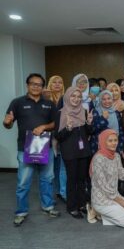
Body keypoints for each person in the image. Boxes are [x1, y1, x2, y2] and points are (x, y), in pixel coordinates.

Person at [3, 73, 60, 226]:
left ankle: (48, 206)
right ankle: (21, 211)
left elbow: (55, 123)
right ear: (27, 85)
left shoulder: (49, 104)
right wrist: (6, 122)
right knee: (23, 182)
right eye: (33, 84)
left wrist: (44, 126)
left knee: (47, 179)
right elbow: (8, 124)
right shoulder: (17, 103)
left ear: (43, 87)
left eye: (39, 84)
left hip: (45, 148)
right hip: (25, 148)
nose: (36, 87)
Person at [54, 87, 93, 219]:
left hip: (83, 151)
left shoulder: (85, 111)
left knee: (82, 180)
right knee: (72, 180)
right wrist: (69, 127)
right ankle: (72, 207)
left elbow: (89, 132)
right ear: (67, 97)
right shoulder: (61, 113)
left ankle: (82, 204)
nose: (76, 99)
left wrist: (88, 123)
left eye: (78, 97)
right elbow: (58, 136)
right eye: (73, 96)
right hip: (69, 152)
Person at [91, 129, 124, 227]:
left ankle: (108, 214)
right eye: (110, 141)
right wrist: (119, 201)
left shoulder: (116, 156)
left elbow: (122, 175)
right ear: (103, 141)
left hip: (114, 195)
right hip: (101, 200)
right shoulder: (98, 159)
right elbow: (103, 186)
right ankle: (99, 213)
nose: (114, 143)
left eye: (115, 140)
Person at [47, 75, 67, 203]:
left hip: (63, 137)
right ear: (50, 84)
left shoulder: (67, 98)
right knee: (50, 168)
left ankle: (61, 191)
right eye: (54, 82)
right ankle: (52, 193)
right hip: (47, 137)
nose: (57, 84)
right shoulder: (45, 98)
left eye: (60, 82)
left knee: (61, 166)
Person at [90, 90, 124, 155]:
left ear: (112, 99)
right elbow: (92, 129)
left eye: (109, 98)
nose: (107, 101)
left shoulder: (116, 112)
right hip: (99, 147)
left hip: (114, 147)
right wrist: (103, 119)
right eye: (104, 99)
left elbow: (121, 131)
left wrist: (121, 147)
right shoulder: (95, 111)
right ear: (100, 100)